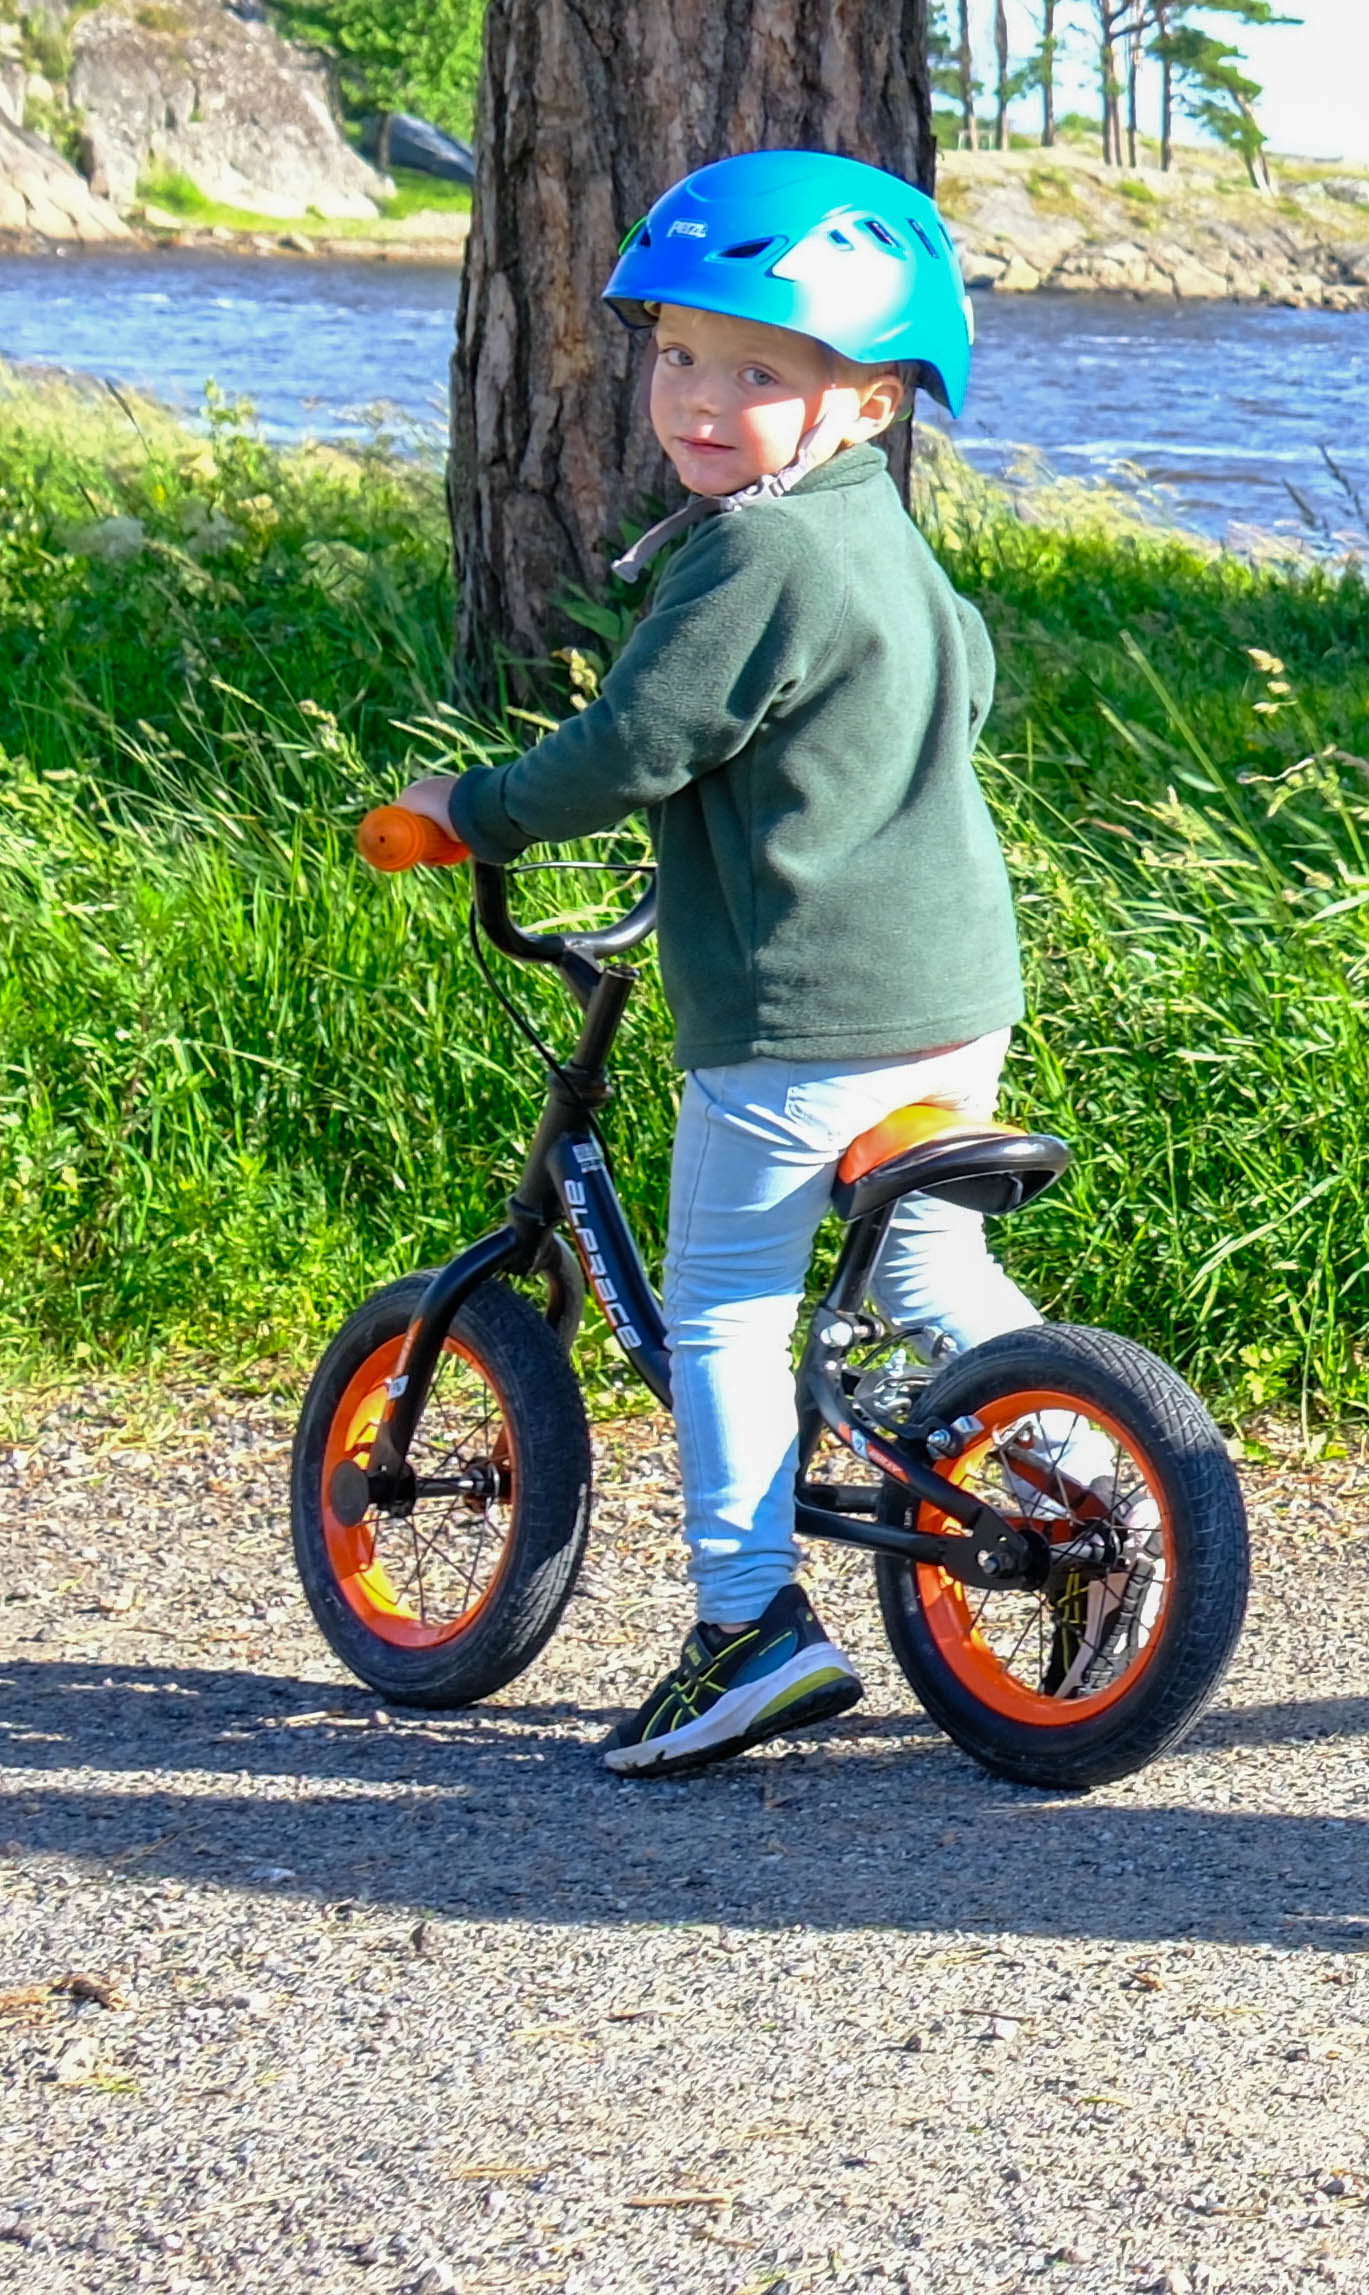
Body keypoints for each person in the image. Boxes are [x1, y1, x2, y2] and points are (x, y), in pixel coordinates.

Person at [381, 151, 1029, 1777]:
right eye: (678, 354)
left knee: (732, 1307)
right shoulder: (884, 543)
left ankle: (747, 1629)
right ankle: (1080, 1478)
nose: (699, 399)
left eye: (758, 373)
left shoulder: (755, 555)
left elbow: (635, 746)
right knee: (927, 1272)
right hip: (952, 1000)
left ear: (872, 402)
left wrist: (474, 811)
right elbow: (951, 692)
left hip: (800, 1019)